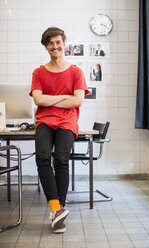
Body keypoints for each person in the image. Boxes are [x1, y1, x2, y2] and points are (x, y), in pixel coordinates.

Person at [30, 27, 88, 234]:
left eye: (58, 42)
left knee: (61, 160)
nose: (55, 46)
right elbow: (38, 100)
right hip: (44, 121)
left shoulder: (75, 72)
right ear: (46, 47)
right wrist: (65, 97)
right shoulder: (39, 72)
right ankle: (57, 209)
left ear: (64, 43)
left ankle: (57, 212)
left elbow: (79, 99)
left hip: (67, 122)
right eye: (50, 43)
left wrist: (49, 99)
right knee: (43, 158)